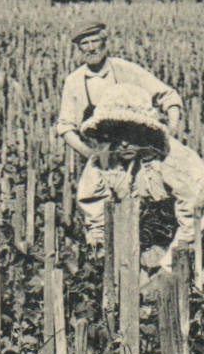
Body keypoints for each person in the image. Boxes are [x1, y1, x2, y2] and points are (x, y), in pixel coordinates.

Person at [55, 22, 183, 246]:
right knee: (94, 199)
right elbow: (65, 127)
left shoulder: (126, 69)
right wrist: (92, 154)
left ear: (105, 43)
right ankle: (102, 248)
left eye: (95, 41)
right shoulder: (74, 82)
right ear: (77, 49)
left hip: (138, 144)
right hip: (104, 148)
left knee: (153, 195)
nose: (91, 48)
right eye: (84, 43)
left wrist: (169, 133)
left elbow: (168, 96)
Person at [75, 83, 204, 273]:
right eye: (117, 134)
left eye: (130, 133)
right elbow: (95, 211)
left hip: (184, 235)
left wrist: (169, 267)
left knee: (173, 289)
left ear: (145, 131)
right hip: (138, 234)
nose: (123, 143)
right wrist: (101, 249)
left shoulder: (173, 160)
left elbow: (192, 221)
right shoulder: (102, 162)